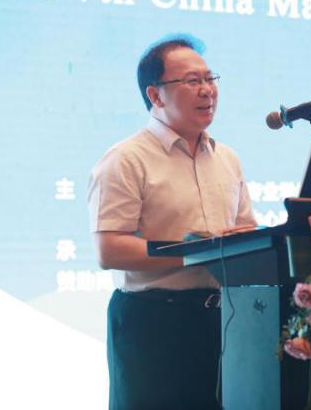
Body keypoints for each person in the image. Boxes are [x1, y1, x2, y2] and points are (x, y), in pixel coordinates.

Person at [87, 34, 256, 409]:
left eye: (210, 79)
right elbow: (109, 248)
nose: (207, 90)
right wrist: (198, 252)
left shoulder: (227, 158)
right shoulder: (126, 159)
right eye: (192, 81)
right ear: (156, 95)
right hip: (153, 321)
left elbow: (245, 231)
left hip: (222, 321)